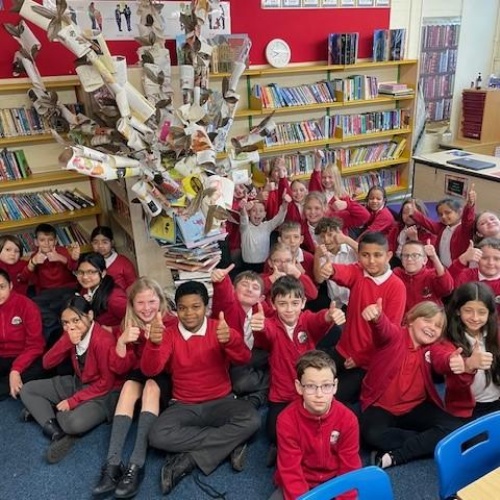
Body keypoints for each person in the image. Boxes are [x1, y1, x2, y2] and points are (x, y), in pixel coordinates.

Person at [141, 281, 261, 495]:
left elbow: (244, 358)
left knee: (252, 420)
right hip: (183, 404)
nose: (189, 313)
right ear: (176, 309)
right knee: (157, 436)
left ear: (206, 307)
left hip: (221, 401)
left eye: (196, 306)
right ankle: (230, 442)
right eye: (182, 308)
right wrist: (153, 345)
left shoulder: (219, 329)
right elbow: (151, 370)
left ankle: (191, 459)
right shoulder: (168, 334)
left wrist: (231, 340)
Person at [92, 278, 176, 498]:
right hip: (140, 372)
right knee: (129, 385)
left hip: (165, 376)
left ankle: (136, 464)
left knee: (150, 386)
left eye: (152, 301)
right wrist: (121, 343)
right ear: (132, 304)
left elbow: (173, 365)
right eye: (140, 303)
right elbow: (120, 368)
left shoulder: (172, 323)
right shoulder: (128, 325)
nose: (146, 308)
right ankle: (112, 463)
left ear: (161, 301)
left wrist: (154, 344)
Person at [253, 276, 345, 465]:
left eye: (295, 303)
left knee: (319, 423)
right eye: (282, 303)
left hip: (309, 390)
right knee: (273, 432)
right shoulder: (271, 324)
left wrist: (329, 316)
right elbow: (266, 334)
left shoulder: (306, 320)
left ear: (303, 302)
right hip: (282, 393)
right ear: (273, 304)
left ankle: (299, 448)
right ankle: (290, 447)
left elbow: (318, 320)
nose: (289, 309)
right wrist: (259, 328)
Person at [360, 300, 462, 468]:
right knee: (371, 435)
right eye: (427, 320)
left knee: (455, 429)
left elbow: (443, 357)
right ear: (411, 319)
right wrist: (377, 318)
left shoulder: (433, 348)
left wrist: (454, 361)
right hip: (381, 407)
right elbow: (384, 330)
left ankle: (397, 455)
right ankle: (425, 440)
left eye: (438, 326)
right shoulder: (396, 336)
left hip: (415, 407)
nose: (432, 328)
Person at [20, 296, 120, 464]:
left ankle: (52, 413)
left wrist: (72, 401)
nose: (71, 327)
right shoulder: (69, 335)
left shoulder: (103, 340)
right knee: (28, 390)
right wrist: (66, 340)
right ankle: (57, 433)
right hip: (78, 383)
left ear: (90, 315)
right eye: (65, 323)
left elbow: (106, 383)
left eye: (76, 320)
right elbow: (47, 363)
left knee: (73, 423)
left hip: (102, 395)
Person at [316, 231, 406, 404]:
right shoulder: (359, 271)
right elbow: (345, 272)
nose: (371, 261)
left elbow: (391, 335)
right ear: (358, 256)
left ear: (388, 256)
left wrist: (361, 359)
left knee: (332, 400)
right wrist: (332, 269)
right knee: (313, 382)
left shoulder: (397, 287)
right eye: (365, 255)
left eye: (377, 255)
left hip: (367, 361)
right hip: (343, 349)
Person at [270, 350, 361, 500]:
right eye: (311, 386)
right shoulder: (286, 420)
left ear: (335, 386)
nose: (319, 394)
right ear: (299, 387)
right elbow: (291, 472)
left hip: (334, 480)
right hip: (302, 479)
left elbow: (349, 467)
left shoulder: (348, 420)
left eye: (326, 386)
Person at [431, 282, 500, 420]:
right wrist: (466, 364)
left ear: (489, 313)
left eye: (482, 312)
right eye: (468, 310)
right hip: (468, 410)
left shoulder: (495, 333)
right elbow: (439, 360)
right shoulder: (447, 338)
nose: (475, 318)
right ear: (458, 310)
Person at [210, 264, 270, 409]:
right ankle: (270, 384)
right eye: (244, 285)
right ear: (233, 289)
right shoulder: (229, 306)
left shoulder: (260, 309)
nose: (249, 289)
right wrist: (221, 281)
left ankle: (274, 381)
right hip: (230, 359)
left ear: (261, 298)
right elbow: (223, 297)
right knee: (241, 384)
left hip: (251, 355)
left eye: (255, 287)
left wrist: (265, 327)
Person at [21, 223, 79, 344]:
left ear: (56, 241)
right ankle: (55, 333)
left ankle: (67, 330)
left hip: (66, 290)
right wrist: (33, 262)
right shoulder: (35, 256)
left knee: (70, 304)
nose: (46, 243)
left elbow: (76, 270)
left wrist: (60, 258)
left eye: (50, 240)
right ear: (36, 242)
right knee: (34, 304)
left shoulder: (62, 251)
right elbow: (24, 278)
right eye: (42, 240)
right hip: (46, 293)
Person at [0, 269, 45, 401]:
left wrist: (16, 369)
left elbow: (36, 345)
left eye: (1, 287)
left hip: (25, 357)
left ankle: (10, 385)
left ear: (10, 285)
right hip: (2, 357)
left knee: (39, 369)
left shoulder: (26, 306)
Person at [409, 187, 476, 268]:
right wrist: (414, 213)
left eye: (448, 213)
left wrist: (469, 205)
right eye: (440, 214)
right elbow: (427, 222)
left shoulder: (463, 230)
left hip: (457, 269)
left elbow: (467, 220)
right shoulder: (442, 227)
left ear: (459, 212)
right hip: (442, 267)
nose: (443, 216)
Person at [308, 152, 370, 232]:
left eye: (330, 177)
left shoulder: (343, 196)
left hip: (337, 235)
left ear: (336, 178)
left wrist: (347, 205)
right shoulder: (319, 191)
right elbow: (314, 180)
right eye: (324, 177)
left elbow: (365, 216)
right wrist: (318, 162)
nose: (327, 180)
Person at [393, 240, 453, 313]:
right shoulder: (396, 275)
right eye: (405, 255)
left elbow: (447, 288)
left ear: (424, 260)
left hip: (431, 318)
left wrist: (434, 257)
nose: (409, 259)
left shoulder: (431, 275)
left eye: (415, 255)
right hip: (406, 319)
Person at [313, 217, 358, 310]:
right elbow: (319, 279)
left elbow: (366, 253)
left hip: (356, 300)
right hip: (337, 304)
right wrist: (317, 256)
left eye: (330, 235)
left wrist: (346, 239)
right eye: (322, 236)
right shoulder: (321, 254)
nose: (326, 240)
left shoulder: (350, 248)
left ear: (339, 233)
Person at [75, 252, 127, 330]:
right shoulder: (85, 289)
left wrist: (112, 330)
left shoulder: (115, 297)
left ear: (103, 273)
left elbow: (135, 322)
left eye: (90, 272)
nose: (85, 277)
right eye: (80, 272)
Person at [240, 193, 291, 272]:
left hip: (264, 265)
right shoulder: (245, 227)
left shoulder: (267, 226)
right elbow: (243, 219)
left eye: (261, 211)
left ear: (264, 214)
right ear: (249, 214)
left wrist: (285, 204)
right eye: (254, 210)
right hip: (247, 265)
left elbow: (279, 219)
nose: (257, 213)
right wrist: (243, 209)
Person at [447, 238, 500, 308]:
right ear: (476, 258)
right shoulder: (466, 275)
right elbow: (446, 284)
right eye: (485, 258)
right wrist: (463, 259)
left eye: (496, 259)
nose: (490, 263)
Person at [386, 198, 436, 266]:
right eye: (404, 212)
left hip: (412, 264)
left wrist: (414, 240)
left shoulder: (428, 233)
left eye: (411, 213)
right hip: (395, 260)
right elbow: (389, 245)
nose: (408, 216)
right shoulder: (398, 227)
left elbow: (426, 261)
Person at [90, 226, 137, 291]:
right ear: (91, 244)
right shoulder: (88, 263)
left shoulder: (123, 262)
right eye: (95, 242)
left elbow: (134, 286)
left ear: (112, 243)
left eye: (104, 242)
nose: (100, 246)